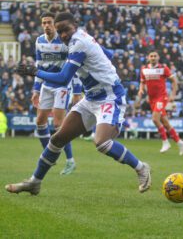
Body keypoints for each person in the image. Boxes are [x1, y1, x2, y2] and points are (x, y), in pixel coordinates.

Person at [5, 12, 151, 195]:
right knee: (57, 139)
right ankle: (35, 182)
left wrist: (36, 72)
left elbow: (63, 78)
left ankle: (141, 167)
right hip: (91, 98)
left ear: (75, 25)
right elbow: (109, 54)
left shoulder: (78, 43)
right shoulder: (82, 37)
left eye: (66, 30)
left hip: (110, 97)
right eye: (60, 31)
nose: (63, 35)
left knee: (102, 142)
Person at [32, 12, 82, 175]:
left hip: (62, 85)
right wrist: (36, 90)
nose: (46, 25)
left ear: (55, 24)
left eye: (49, 22)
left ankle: (70, 160)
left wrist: (76, 91)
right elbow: (38, 66)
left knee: (58, 125)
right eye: (44, 22)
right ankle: (50, 155)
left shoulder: (64, 41)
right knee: (40, 121)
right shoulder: (39, 41)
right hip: (46, 84)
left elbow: (74, 68)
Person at [138, 51, 183, 155]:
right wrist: (141, 89)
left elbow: (174, 81)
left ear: (158, 57)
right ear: (148, 57)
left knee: (155, 119)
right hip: (152, 99)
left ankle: (165, 142)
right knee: (165, 122)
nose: (153, 57)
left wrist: (173, 94)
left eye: (155, 56)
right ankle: (179, 142)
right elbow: (142, 82)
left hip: (161, 97)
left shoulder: (163, 68)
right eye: (151, 56)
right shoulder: (144, 69)